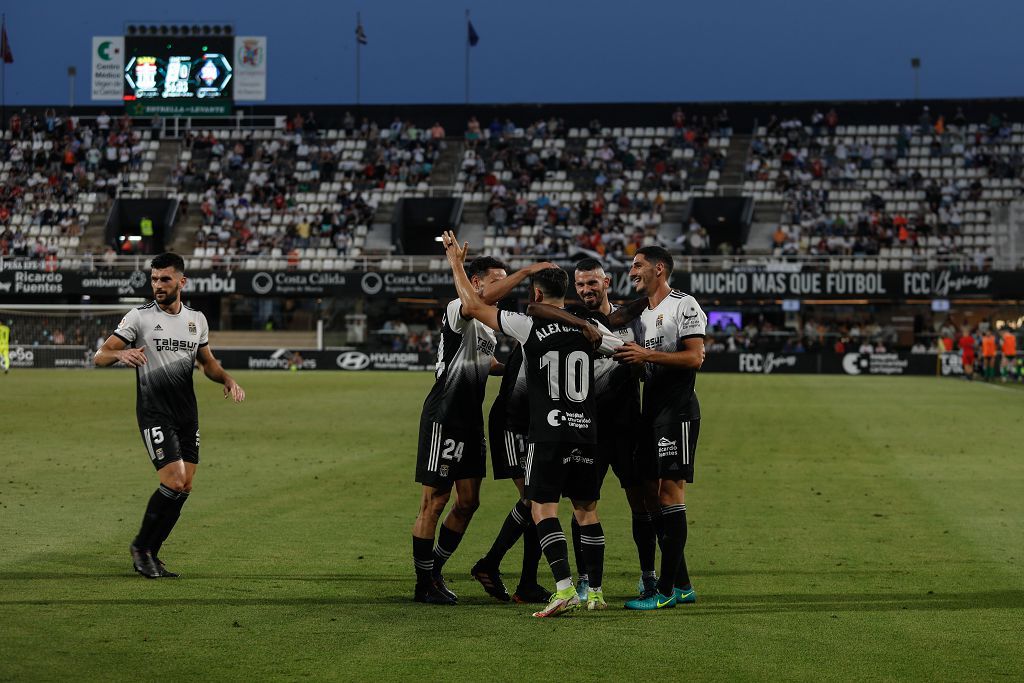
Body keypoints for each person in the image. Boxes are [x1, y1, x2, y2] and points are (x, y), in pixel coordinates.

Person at [440, 230, 616, 618]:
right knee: (587, 510)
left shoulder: (527, 324)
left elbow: (472, 303)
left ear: (535, 294)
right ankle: (595, 592)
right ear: (568, 292)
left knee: (540, 505)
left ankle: (562, 587)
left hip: (545, 429)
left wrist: (455, 263)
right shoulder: (592, 331)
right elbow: (627, 352)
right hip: (585, 429)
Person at [411, 249, 556, 606]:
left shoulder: (486, 327)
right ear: (476, 283)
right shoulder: (456, 309)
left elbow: (486, 362)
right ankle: (423, 582)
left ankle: (435, 571)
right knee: (435, 501)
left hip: (470, 421)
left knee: (469, 502)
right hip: (444, 414)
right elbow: (478, 303)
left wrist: (519, 369)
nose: (504, 285)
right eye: (497, 279)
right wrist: (525, 271)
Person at [94, 253, 246, 579]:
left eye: (164, 279)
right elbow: (100, 355)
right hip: (154, 412)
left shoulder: (196, 320)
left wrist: (227, 379)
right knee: (173, 480)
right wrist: (120, 353)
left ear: (182, 281)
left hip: (187, 414)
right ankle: (140, 547)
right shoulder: (139, 317)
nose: (157, 285)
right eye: (153, 279)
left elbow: (207, 363)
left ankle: (152, 552)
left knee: (185, 485)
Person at [614, 245, 707, 610]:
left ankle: (666, 591)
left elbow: (695, 356)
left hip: (678, 411)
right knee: (654, 496)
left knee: (671, 495)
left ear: (659, 269)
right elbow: (643, 364)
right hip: (651, 415)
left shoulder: (683, 304)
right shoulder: (644, 314)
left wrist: (646, 355)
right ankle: (681, 584)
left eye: (638, 266)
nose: (632, 271)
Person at [567, 258, 658, 600]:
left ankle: (649, 574)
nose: (587, 290)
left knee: (641, 503)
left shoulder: (633, 320)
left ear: (606, 282)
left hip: (628, 428)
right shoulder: (574, 325)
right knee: (583, 505)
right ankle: (585, 577)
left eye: (592, 283)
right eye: (580, 285)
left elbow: (648, 366)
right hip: (587, 429)